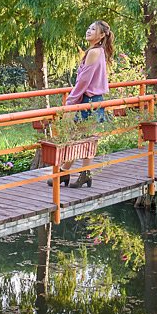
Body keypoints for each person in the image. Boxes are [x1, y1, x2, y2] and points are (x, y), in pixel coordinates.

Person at [49, 20, 113, 189]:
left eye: (93, 29)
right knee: (85, 139)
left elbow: (84, 82)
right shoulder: (96, 51)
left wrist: (70, 102)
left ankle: (65, 173)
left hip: (88, 101)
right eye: (89, 28)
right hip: (94, 101)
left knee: (77, 139)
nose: (88, 30)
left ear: (101, 35)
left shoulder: (94, 52)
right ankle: (82, 174)